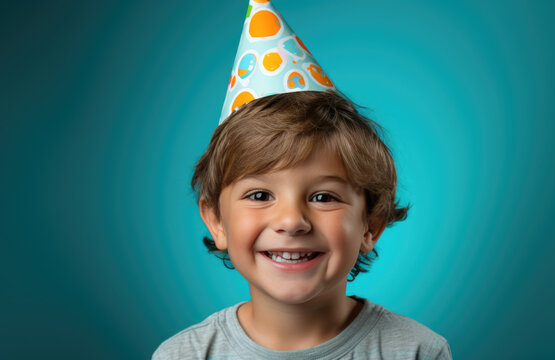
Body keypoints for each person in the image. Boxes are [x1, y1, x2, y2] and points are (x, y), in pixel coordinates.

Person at [153, 2, 451, 359]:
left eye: (324, 197)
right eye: (260, 194)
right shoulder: (183, 355)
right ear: (217, 221)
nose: (292, 221)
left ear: (370, 225)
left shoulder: (417, 351)